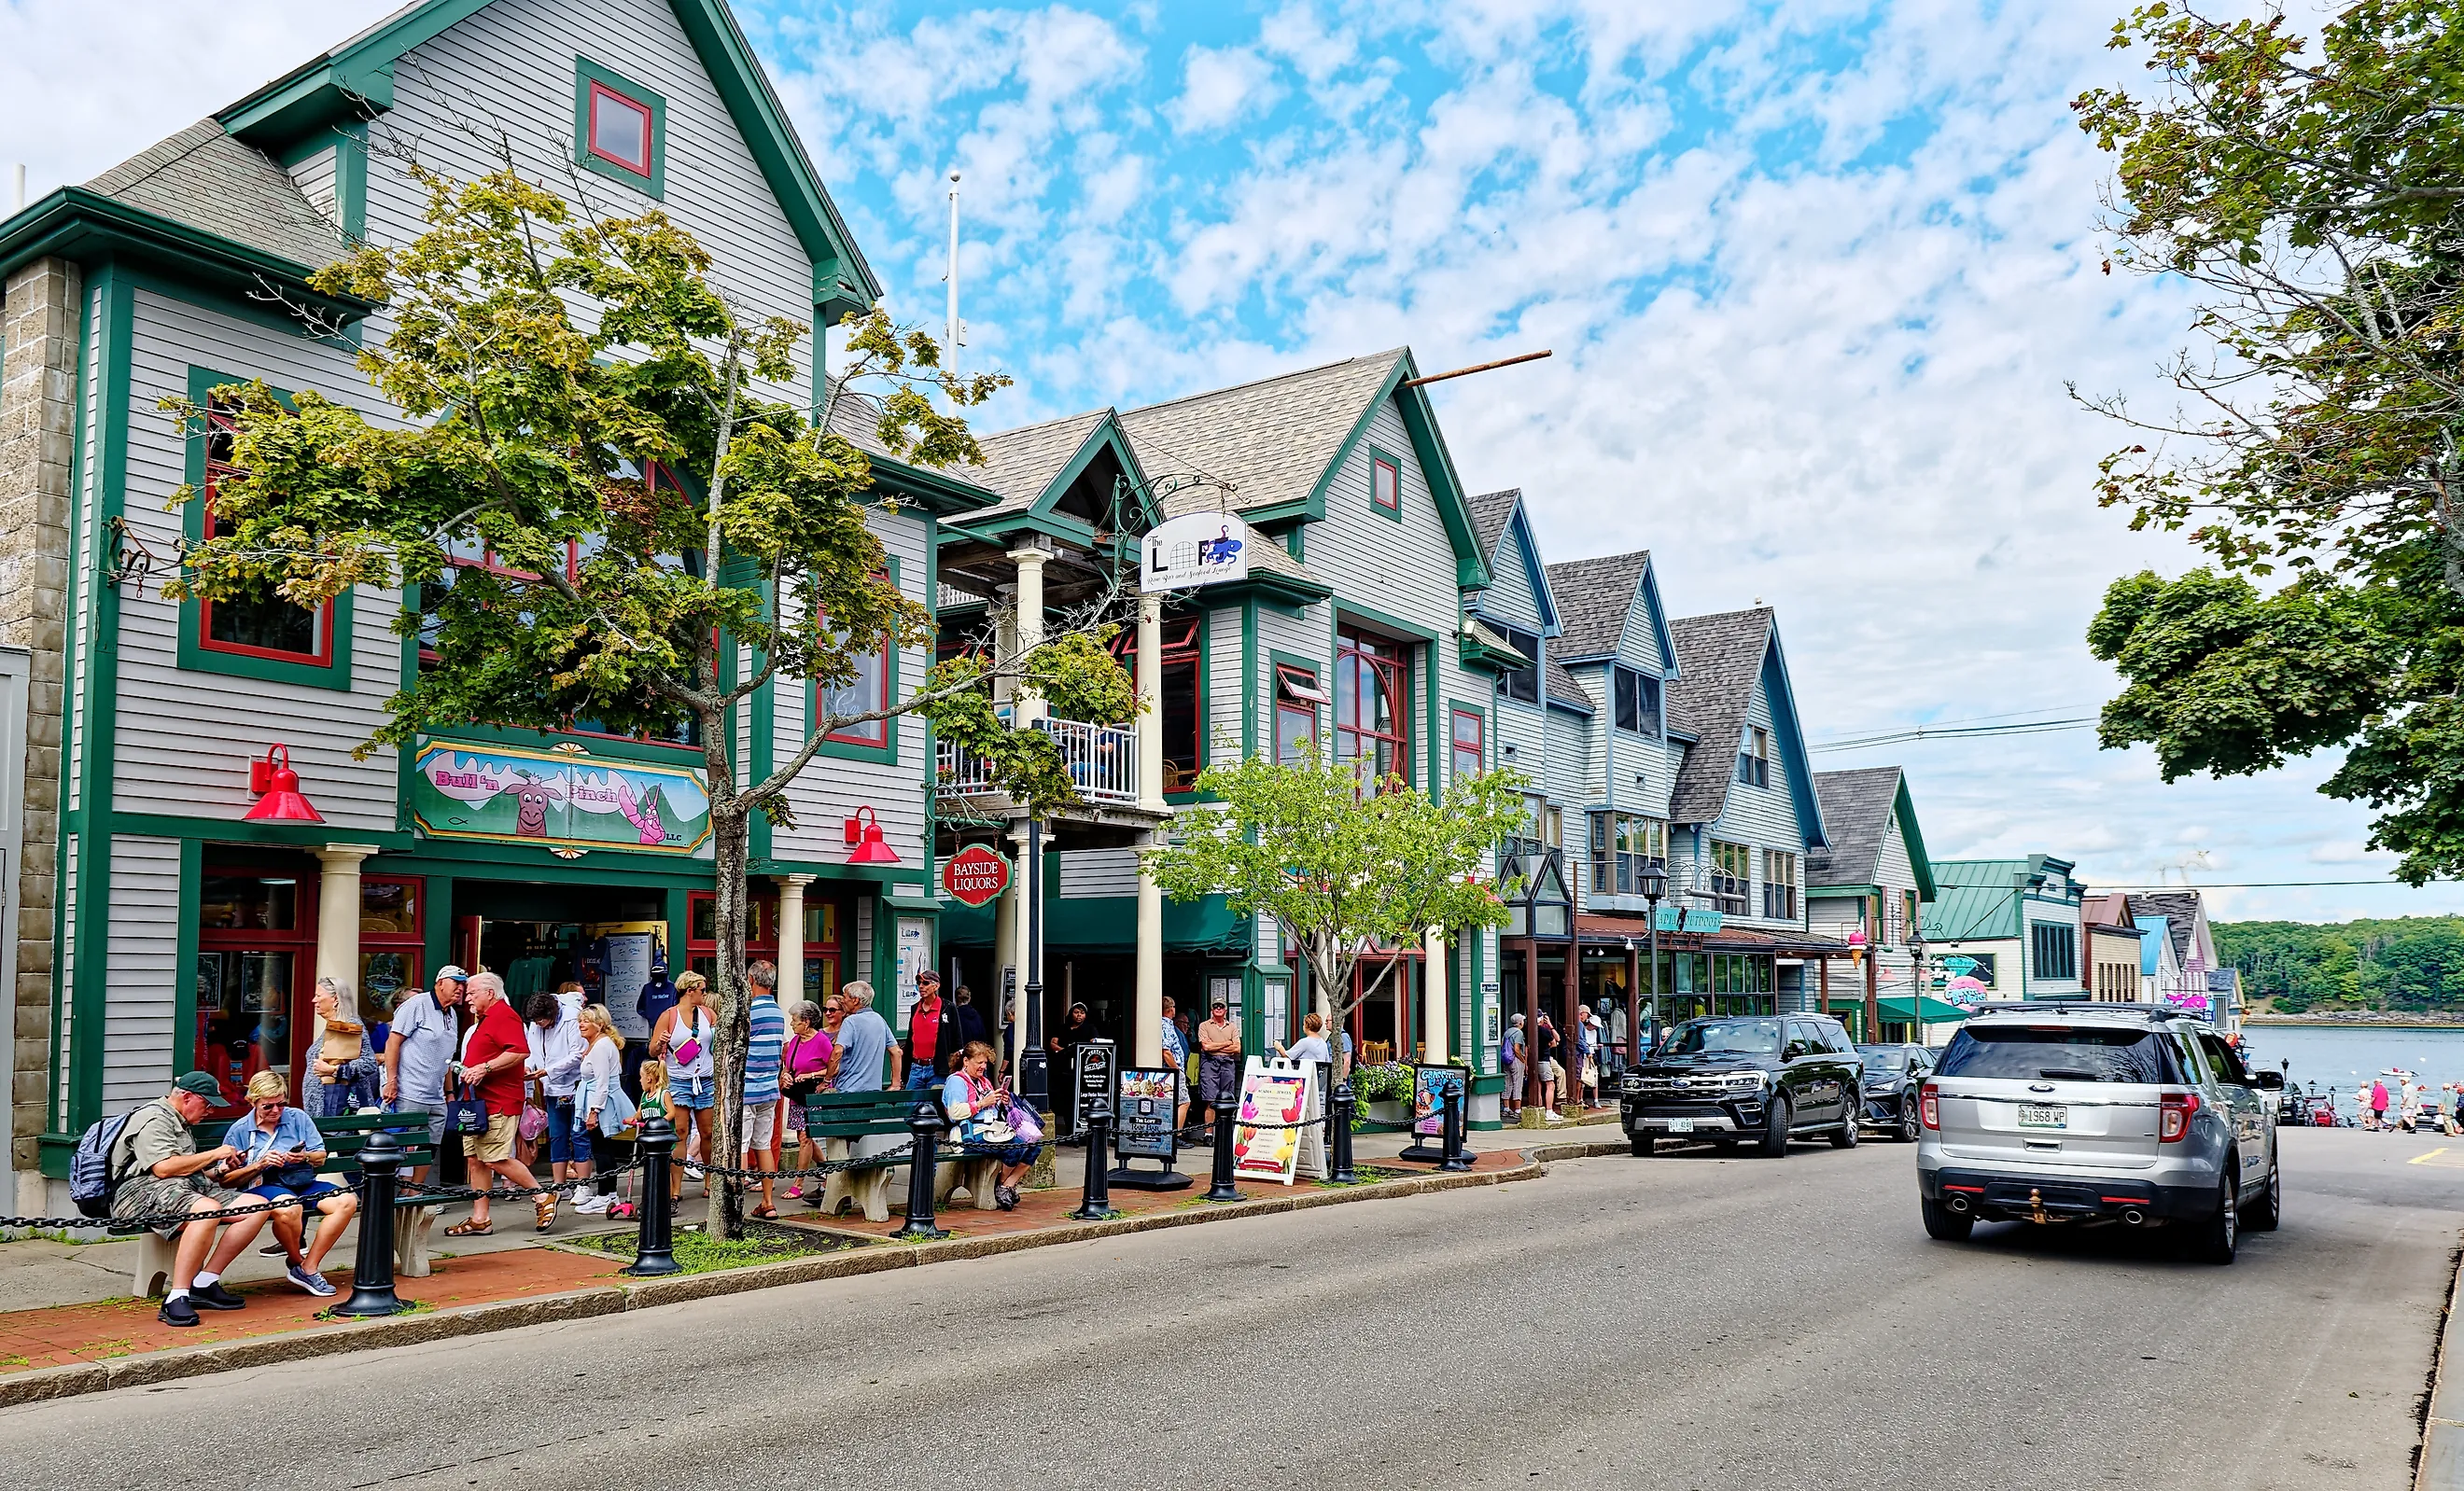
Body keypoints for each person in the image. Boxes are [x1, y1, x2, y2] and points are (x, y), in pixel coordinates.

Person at [109, 1072, 273, 1327]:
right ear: (186, 1097)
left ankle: (204, 1282)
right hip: (137, 1192)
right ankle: (177, 1297)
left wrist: (220, 1170)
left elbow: (185, 1171)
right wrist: (215, 1153)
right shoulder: (153, 1119)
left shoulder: (180, 1119)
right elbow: (163, 1168)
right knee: (207, 1209)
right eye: (207, 1104)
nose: (209, 1111)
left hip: (182, 1187)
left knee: (257, 1206)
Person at [220, 1069, 357, 1297]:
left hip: (300, 1179)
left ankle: (308, 1267)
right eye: (268, 1106)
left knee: (346, 1201)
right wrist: (260, 1164)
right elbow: (227, 1180)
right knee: (289, 1206)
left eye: (280, 1104)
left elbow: (320, 1156)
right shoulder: (240, 1130)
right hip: (263, 1184)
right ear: (252, 1101)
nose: (276, 1111)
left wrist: (302, 1157)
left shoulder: (297, 1117)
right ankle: (296, 1260)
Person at [449, 970, 548, 1235]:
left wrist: (484, 1068)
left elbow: (519, 1051)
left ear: (489, 993)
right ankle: (480, 1218)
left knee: (494, 1158)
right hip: (477, 1102)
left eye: (472, 993)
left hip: (498, 1101)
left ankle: (542, 1196)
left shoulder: (504, 1015)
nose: (466, 998)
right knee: (475, 1160)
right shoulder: (485, 1018)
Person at [382, 965, 467, 1180]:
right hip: (409, 1091)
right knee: (405, 1146)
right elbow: (393, 1043)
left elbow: (446, 1057)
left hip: (436, 1095)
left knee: (430, 1146)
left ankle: (415, 1194)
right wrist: (391, 1081)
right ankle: (402, 1194)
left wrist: (449, 1092)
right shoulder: (416, 1005)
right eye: (456, 983)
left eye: (463, 984)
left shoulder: (452, 1014)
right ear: (440, 983)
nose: (461, 988)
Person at [650, 971, 718, 1200]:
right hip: (678, 1079)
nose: (704, 993)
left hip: (705, 1079)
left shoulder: (708, 1014)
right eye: (702, 989)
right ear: (690, 991)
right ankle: (676, 1187)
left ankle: (710, 1180)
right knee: (680, 1132)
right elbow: (651, 1050)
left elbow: (717, 1044)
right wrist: (661, 1042)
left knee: (707, 1132)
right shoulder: (669, 1016)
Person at [943, 1040, 1033, 1209]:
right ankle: (1001, 1188)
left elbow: (991, 1110)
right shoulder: (956, 1082)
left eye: (985, 1062)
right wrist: (982, 1103)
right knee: (1016, 1146)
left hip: (991, 1129)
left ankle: (1005, 1185)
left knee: (1033, 1146)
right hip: (968, 1134)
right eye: (979, 1062)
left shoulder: (983, 1081)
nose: (983, 1066)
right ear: (966, 1061)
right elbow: (954, 1112)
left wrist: (1001, 1102)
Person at [525, 983, 590, 1204]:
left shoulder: (572, 1018)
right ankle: (559, 1185)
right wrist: (529, 1067)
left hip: (574, 1083)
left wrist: (549, 1070)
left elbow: (578, 1054)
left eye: (542, 1021)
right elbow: (532, 1050)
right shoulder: (536, 1024)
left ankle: (583, 1186)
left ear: (552, 1014)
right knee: (557, 1135)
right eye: (535, 1023)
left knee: (579, 1134)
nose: (539, 1026)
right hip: (550, 1086)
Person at [572, 1004, 631, 1217]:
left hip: (601, 1103)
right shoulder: (598, 1044)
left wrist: (593, 1111)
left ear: (600, 1024)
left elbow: (602, 1082)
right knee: (602, 1147)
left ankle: (606, 1194)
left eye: (586, 1020)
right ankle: (607, 1193)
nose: (581, 1024)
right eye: (580, 1020)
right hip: (596, 1099)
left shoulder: (601, 1047)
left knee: (602, 1148)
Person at [740, 960, 789, 1220]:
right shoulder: (778, 1012)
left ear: (751, 980)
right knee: (764, 1145)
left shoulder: (749, 1011)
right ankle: (768, 1202)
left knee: (741, 1146)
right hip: (769, 1087)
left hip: (747, 1086)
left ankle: (733, 1202)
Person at [303, 977, 380, 1118]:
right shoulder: (334, 1027)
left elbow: (369, 1064)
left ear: (336, 999)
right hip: (324, 1109)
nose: (314, 1000)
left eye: (318, 996)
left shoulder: (349, 1027)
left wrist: (334, 1070)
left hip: (339, 1110)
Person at [780, 999, 833, 1197]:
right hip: (797, 1096)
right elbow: (788, 1066)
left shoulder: (821, 1041)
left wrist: (812, 1076)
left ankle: (798, 1184)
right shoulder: (795, 1041)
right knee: (803, 1136)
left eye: (795, 1020)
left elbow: (832, 1068)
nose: (792, 1024)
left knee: (805, 1137)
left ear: (807, 1022)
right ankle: (827, 1169)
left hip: (813, 1095)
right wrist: (785, 1075)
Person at [832, 981, 894, 1093]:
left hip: (848, 1090)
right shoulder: (879, 1020)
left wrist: (826, 1080)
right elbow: (896, 1052)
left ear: (855, 1000)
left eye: (845, 997)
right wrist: (895, 1084)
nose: (842, 1000)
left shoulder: (850, 1021)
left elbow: (837, 1052)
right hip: (873, 1091)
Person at [903, 969, 960, 1088]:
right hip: (916, 1067)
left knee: (934, 1105)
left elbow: (957, 1039)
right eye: (919, 983)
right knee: (910, 1105)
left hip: (937, 1068)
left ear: (936, 986)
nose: (921, 986)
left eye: (925, 983)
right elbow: (910, 1040)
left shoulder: (948, 1008)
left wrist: (955, 1068)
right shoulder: (915, 1008)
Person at [1197, 999, 1241, 1128]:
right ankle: (1208, 1135)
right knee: (1210, 1100)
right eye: (1215, 1006)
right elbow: (1206, 1047)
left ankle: (1225, 1132)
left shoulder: (1232, 1027)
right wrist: (1226, 1043)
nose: (1218, 1008)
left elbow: (1237, 1049)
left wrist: (1214, 1046)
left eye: (1221, 1006)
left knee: (1227, 1099)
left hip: (1227, 1064)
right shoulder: (1204, 1026)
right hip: (1209, 1063)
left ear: (1226, 1010)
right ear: (1212, 1010)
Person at [1159, 996, 1191, 1129]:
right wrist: (1177, 1070)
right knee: (1184, 1102)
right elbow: (1165, 1051)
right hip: (1171, 1071)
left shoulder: (1166, 1025)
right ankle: (1176, 1135)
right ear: (1171, 1009)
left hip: (1169, 1071)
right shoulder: (1165, 1026)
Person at [1534, 1012, 1563, 1122]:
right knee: (1550, 1085)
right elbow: (1555, 1042)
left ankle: (1539, 1107)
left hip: (1534, 1060)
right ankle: (1549, 1111)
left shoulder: (1529, 1030)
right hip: (1544, 1059)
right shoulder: (1544, 1030)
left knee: (1538, 1084)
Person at [1502, 1012, 1527, 1122]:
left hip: (1506, 1060)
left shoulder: (1507, 1032)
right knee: (1517, 1083)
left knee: (1507, 1083)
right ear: (1520, 1022)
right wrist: (1523, 1060)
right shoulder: (1519, 1033)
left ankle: (1506, 1108)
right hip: (1515, 1060)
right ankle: (1517, 1110)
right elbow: (1517, 1049)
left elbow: (1502, 1045)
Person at [953, 985, 990, 1050]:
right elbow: (983, 1039)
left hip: (959, 1054)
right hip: (975, 1053)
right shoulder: (977, 1016)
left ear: (956, 999)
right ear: (969, 999)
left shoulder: (954, 1016)